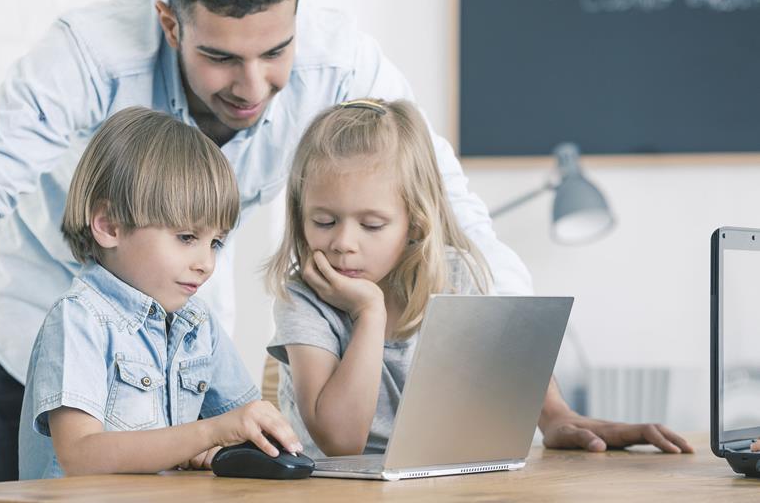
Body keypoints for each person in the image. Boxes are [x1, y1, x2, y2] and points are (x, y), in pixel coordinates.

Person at [0, 0, 664, 482]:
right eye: (220, 59)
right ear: (170, 23)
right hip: (39, 317)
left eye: (274, 52)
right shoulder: (86, 55)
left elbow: (448, 206)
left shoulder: (340, 58)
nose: (254, 87)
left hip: (184, 332)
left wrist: (539, 400)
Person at [266, 99, 694, 457]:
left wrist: (556, 417)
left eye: (372, 225)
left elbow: (503, 351)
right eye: (323, 221)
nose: (342, 242)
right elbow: (342, 444)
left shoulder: (452, 273)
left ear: (414, 224)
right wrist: (369, 312)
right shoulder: (303, 298)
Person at [19, 107, 301, 479]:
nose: (206, 263)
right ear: (109, 226)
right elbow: (80, 455)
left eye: (215, 242)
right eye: (186, 237)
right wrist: (205, 434)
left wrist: (224, 443)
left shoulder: (198, 325)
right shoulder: (78, 320)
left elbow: (243, 424)